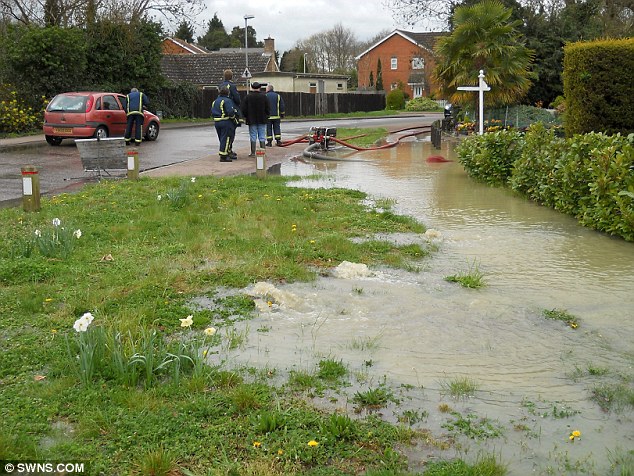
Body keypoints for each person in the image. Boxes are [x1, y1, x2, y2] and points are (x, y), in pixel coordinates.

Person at [211, 86, 240, 162]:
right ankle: (224, 155)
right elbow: (230, 112)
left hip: (217, 122)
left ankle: (227, 151)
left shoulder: (215, 101)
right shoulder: (227, 101)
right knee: (227, 138)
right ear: (228, 93)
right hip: (226, 121)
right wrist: (234, 119)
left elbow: (212, 111)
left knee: (222, 138)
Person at [241, 82, 270, 157]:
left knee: (253, 136)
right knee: (262, 136)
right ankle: (263, 152)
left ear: (252, 87)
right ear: (259, 87)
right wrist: (267, 115)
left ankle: (253, 153)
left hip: (251, 119)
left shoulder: (248, 97)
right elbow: (268, 108)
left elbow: (244, 109)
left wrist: (245, 116)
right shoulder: (264, 97)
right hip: (262, 119)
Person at [218, 69, 241, 159]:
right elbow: (237, 98)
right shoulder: (232, 86)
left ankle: (226, 149)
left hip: (221, 111)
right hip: (231, 110)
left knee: (223, 135)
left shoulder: (220, 85)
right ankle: (228, 151)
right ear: (232, 76)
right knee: (230, 133)